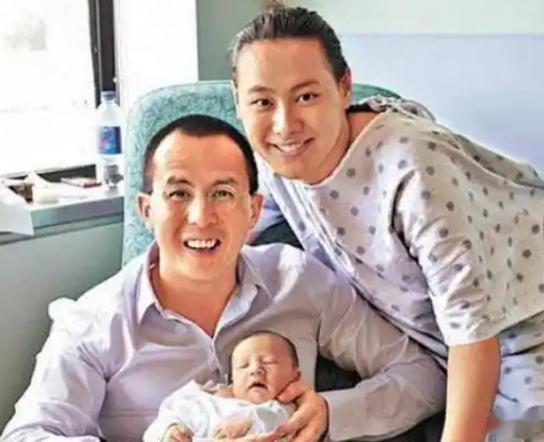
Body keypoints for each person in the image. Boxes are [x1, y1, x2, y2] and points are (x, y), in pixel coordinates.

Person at [228, 6, 544, 441]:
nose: (285, 124)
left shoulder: (413, 171)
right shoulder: (273, 161)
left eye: (307, 96)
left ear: (344, 86)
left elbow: (472, 333)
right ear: (239, 101)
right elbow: (235, 230)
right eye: (263, 101)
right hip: (465, 323)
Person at [0, 115, 445, 442]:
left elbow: (425, 375)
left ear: (253, 210)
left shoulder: (298, 281)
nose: (201, 216)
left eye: (223, 193)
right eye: (178, 193)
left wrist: (330, 413)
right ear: (147, 210)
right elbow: (28, 435)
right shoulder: (94, 322)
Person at [144, 331, 299, 442]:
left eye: (269, 362)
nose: (255, 370)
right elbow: (157, 426)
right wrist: (169, 430)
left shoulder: (284, 407)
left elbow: (276, 422)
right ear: (232, 379)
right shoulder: (192, 398)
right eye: (244, 365)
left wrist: (251, 422)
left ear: (295, 375)